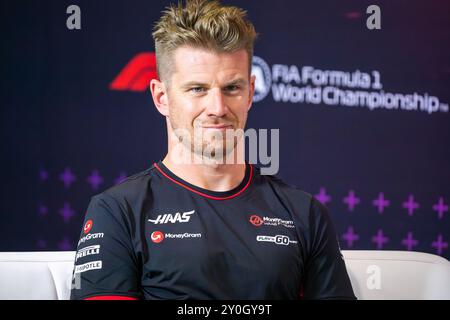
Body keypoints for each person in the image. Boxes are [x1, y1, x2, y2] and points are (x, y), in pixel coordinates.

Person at [70, 0, 356, 300]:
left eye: (232, 88)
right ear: (161, 97)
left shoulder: (304, 213)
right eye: (198, 89)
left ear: (249, 93)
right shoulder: (118, 211)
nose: (218, 108)